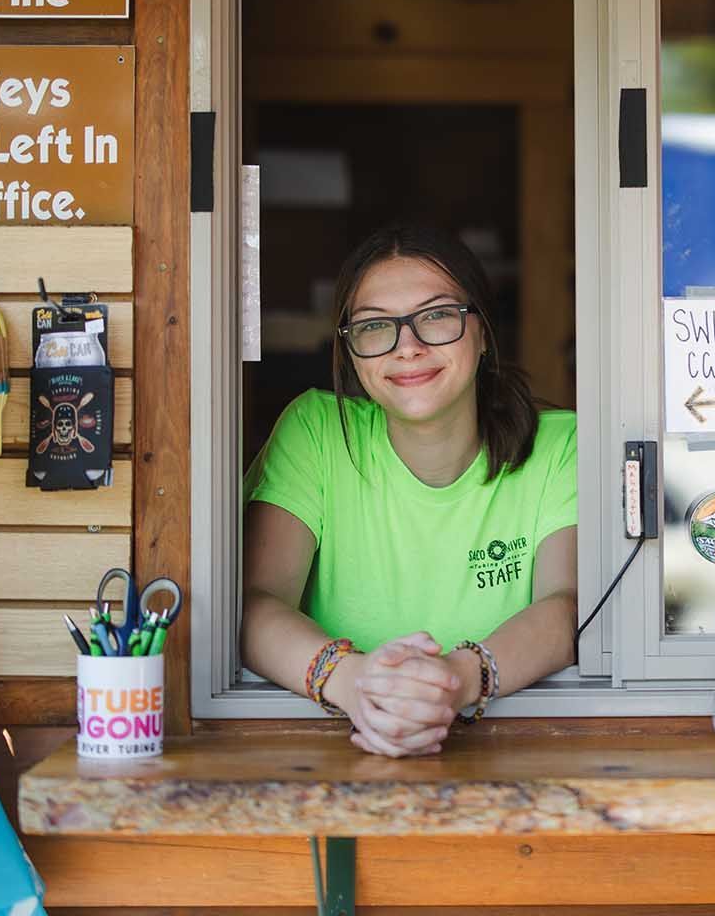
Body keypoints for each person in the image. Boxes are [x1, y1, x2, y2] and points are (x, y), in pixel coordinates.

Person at [241, 224, 578, 757]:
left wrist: (455, 682)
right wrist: (356, 685)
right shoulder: (316, 431)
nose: (409, 347)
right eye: (376, 327)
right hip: (328, 753)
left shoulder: (561, 444)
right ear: (350, 350)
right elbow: (256, 605)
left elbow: (567, 608)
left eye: (437, 316)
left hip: (519, 754)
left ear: (483, 331)